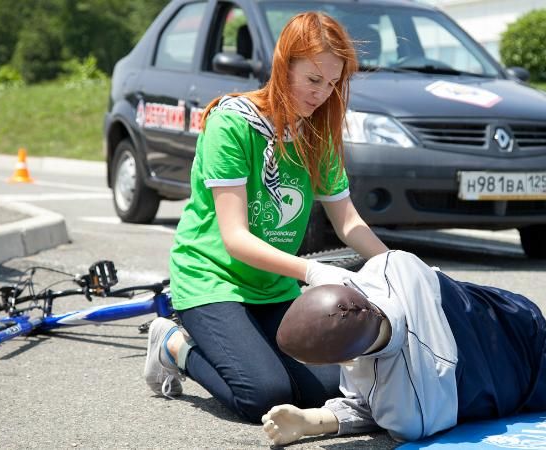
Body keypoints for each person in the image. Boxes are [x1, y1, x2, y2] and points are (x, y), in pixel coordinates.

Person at [142, 12, 389, 423]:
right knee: (263, 396)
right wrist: (312, 273)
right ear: (284, 64)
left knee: (327, 391)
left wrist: (395, 267)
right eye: (313, 80)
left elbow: (348, 222)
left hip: (272, 286)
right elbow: (235, 238)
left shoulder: (317, 133)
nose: (322, 95)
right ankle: (172, 344)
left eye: (332, 84)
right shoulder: (231, 124)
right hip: (212, 280)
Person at [262, 250, 546, 445]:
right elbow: (328, 278)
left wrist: (315, 420)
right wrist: (308, 420)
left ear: (349, 359)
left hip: (503, 371)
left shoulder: (410, 408)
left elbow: (370, 412)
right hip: (506, 314)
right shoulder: (390, 266)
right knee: (530, 332)